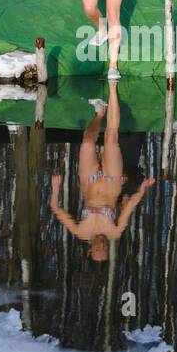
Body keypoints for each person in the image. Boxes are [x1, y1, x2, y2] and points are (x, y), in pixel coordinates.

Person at [48, 85, 156, 262]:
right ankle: (113, 88)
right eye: (105, 248)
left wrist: (55, 188)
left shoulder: (80, 231)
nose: (102, 244)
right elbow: (129, 207)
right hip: (111, 180)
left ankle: (99, 113)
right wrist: (142, 187)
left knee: (87, 143)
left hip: (89, 181)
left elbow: (55, 208)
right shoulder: (114, 232)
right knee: (111, 138)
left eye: (98, 248)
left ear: (89, 251)